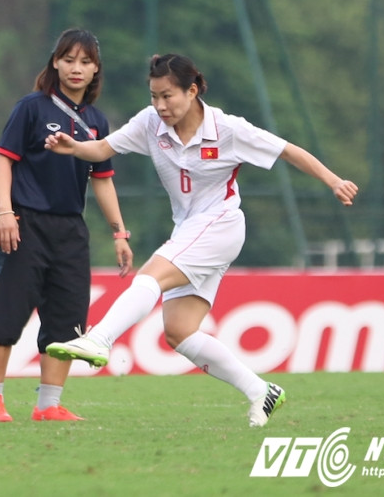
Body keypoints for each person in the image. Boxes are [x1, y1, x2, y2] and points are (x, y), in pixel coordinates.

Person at [44, 53, 359, 427]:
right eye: (154, 96)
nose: (160, 106)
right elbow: (102, 149)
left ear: (192, 91)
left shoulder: (228, 129)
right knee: (179, 331)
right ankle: (261, 391)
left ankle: (99, 339)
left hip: (221, 224)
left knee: (150, 276)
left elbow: (288, 151)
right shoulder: (150, 123)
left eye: (168, 96)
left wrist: (334, 181)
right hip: (189, 231)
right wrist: (74, 147)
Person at [0, 28, 134, 423]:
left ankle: (48, 405)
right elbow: (3, 160)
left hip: (70, 230)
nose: (76, 68)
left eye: (85, 61)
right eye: (68, 60)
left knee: (67, 319)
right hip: (24, 223)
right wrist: (4, 212)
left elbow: (103, 180)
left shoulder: (97, 121)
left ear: (96, 68)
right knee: (6, 314)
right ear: (55, 63)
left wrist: (119, 232)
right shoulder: (32, 108)